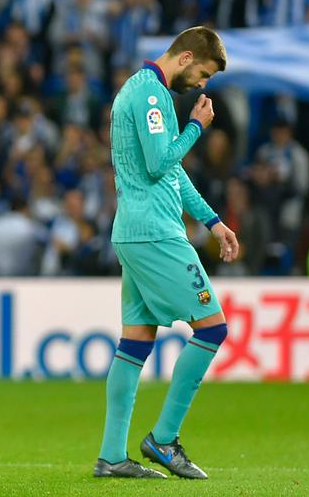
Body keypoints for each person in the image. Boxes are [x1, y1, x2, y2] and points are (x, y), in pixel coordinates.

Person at [94, 27, 240, 479]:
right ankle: (163, 439)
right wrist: (196, 126)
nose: (202, 85)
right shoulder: (154, 97)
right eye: (203, 74)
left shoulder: (137, 91)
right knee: (212, 328)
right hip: (157, 235)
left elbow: (169, 172)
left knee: (135, 341)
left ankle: (112, 456)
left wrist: (214, 222)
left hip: (133, 232)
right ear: (187, 56)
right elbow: (162, 165)